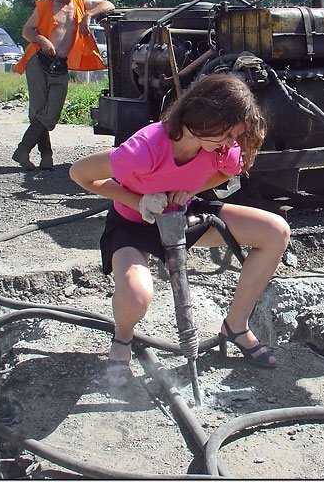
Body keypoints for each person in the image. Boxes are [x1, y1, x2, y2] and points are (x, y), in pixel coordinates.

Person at [69, 73, 291, 386]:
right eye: (229, 133)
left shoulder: (219, 148)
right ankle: (122, 338)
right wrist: (139, 201)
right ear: (206, 117)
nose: (232, 143)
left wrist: (190, 189)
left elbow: (227, 172)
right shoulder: (144, 149)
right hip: (135, 224)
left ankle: (236, 326)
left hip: (182, 215)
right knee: (136, 297)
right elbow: (80, 174)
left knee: (275, 231)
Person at [12, 0, 114, 170]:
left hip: (60, 64)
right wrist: (42, 40)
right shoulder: (45, 5)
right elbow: (26, 30)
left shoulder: (80, 3)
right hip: (38, 60)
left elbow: (108, 4)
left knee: (52, 113)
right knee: (39, 110)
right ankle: (46, 156)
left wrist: (88, 15)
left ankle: (23, 149)